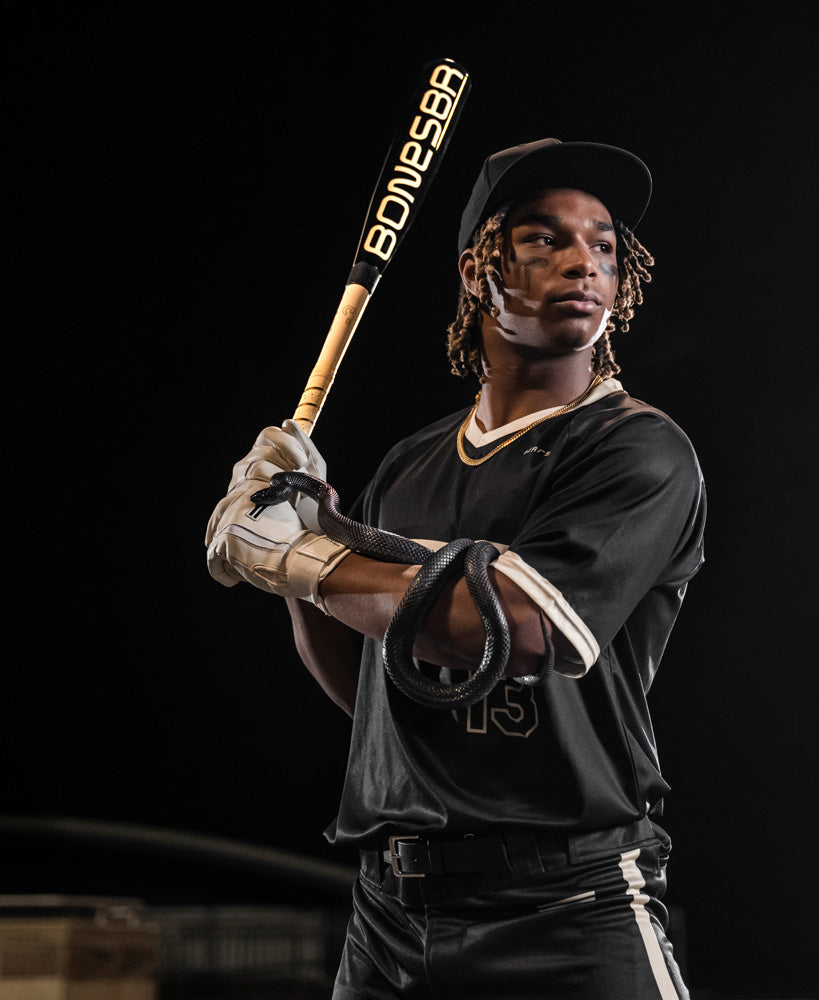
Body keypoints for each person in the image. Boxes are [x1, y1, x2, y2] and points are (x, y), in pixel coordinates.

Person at [206, 138, 707, 1000]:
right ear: (480, 270)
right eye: (544, 239)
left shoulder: (637, 448)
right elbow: (374, 685)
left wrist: (303, 557)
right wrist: (288, 535)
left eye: (603, 246)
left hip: (567, 908)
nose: (583, 262)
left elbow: (511, 630)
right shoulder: (410, 464)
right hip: (390, 914)